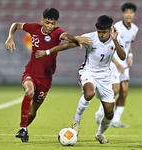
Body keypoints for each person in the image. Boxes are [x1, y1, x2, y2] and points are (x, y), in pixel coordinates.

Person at [5, 8, 91, 143]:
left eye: (52, 23)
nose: (50, 26)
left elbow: (66, 37)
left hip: (46, 78)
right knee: (29, 91)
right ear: (42, 20)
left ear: (56, 22)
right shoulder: (33, 28)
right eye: (47, 23)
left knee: (32, 111)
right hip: (31, 72)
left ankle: (24, 129)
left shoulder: (57, 32)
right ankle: (22, 128)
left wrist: (76, 38)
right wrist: (10, 37)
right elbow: (16, 25)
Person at [36, 14, 126, 144]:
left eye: (104, 32)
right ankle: (76, 119)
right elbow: (67, 45)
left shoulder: (116, 39)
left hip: (105, 77)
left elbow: (122, 57)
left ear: (110, 30)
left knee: (109, 113)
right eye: (99, 32)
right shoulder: (90, 37)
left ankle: (99, 134)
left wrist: (115, 40)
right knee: (89, 93)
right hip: (88, 72)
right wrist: (47, 52)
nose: (101, 35)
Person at [95, 2, 139, 128]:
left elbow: (127, 45)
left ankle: (116, 119)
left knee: (124, 92)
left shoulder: (135, 29)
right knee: (115, 90)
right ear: (123, 13)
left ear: (134, 14)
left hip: (124, 63)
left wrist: (130, 56)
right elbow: (110, 46)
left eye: (131, 12)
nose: (129, 14)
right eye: (126, 12)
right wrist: (117, 63)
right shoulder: (116, 28)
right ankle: (99, 112)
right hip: (113, 62)